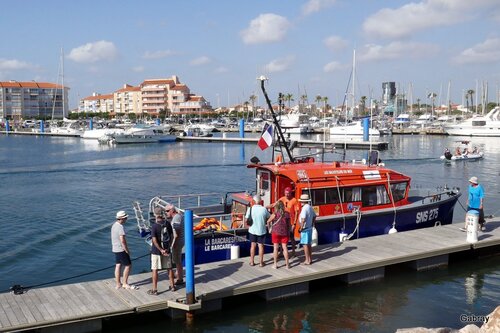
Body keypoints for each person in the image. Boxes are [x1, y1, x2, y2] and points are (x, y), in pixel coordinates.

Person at [148, 207, 175, 295]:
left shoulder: (154, 226)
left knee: (155, 270)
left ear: (155, 215)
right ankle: (172, 286)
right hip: (167, 250)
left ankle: (155, 289)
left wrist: (160, 249)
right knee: (169, 268)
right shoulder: (167, 223)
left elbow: (154, 240)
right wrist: (168, 247)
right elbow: (172, 236)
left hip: (156, 251)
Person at [267, 187, 300, 257]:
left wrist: (294, 223)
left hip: (290, 222)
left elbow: (297, 213)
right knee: (282, 237)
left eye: (288, 193)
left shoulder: (294, 200)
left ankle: (293, 252)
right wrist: (265, 207)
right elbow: (275, 204)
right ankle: (281, 252)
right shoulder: (282, 199)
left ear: (291, 193)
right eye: (286, 193)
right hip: (283, 221)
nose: (287, 195)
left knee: (291, 237)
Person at [111, 210, 137, 290]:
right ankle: (125, 283)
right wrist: (127, 250)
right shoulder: (120, 227)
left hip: (115, 249)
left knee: (118, 265)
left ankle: (118, 283)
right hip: (121, 249)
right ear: (122, 218)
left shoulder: (114, 225)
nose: (126, 219)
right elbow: (122, 240)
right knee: (128, 265)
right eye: (125, 218)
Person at [246, 194, 270, 267]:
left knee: (253, 246)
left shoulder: (250, 209)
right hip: (261, 230)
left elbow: (247, 219)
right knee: (261, 246)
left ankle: (252, 261)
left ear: (254, 201)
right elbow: (269, 217)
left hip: (252, 230)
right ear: (260, 201)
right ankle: (261, 263)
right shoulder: (264, 209)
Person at [267, 200, 290, 269]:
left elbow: (268, 221)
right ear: (283, 206)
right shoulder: (287, 214)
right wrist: (288, 231)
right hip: (285, 233)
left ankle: (275, 264)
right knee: (285, 248)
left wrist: (269, 228)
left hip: (275, 232)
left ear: (276, 207)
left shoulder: (275, 214)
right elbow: (289, 225)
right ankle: (287, 265)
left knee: (276, 248)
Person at [166, 204, 184, 286]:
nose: (166, 213)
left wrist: (173, 244)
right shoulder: (177, 216)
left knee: (177, 261)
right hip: (178, 241)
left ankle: (180, 279)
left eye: (167, 211)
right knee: (177, 260)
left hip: (177, 242)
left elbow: (177, 232)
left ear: (172, 210)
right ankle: (178, 275)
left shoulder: (176, 217)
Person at [298, 194, 316, 265]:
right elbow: (315, 216)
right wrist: (312, 223)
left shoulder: (304, 208)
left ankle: (307, 260)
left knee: (305, 244)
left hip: (305, 229)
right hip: (310, 228)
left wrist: (301, 228)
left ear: (302, 201)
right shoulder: (310, 207)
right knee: (309, 244)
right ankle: (310, 259)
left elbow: (303, 219)